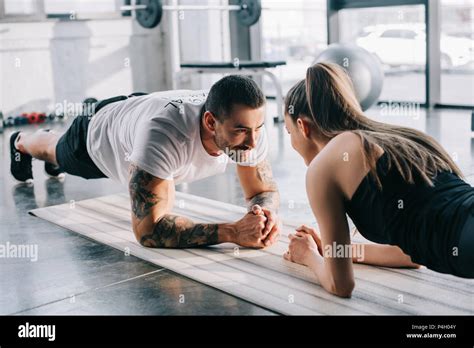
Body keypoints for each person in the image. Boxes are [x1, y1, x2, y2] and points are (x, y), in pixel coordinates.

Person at [10, 75, 281, 249]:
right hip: (97, 136)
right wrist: (233, 232)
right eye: (241, 131)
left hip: (139, 108)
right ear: (211, 121)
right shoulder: (163, 136)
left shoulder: (249, 127)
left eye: (258, 129)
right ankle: (23, 141)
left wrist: (261, 216)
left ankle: (90, 111)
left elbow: (262, 191)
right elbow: (148, 230)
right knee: (56, 151)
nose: (254, 142)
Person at [282, 62, 474, 298]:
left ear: (302, 127)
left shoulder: (324, 166)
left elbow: (339, 284)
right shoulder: (398, 137)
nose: (292, 142)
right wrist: (338, 251)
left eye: (289, 132)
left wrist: (308, 255)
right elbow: (408, 255)